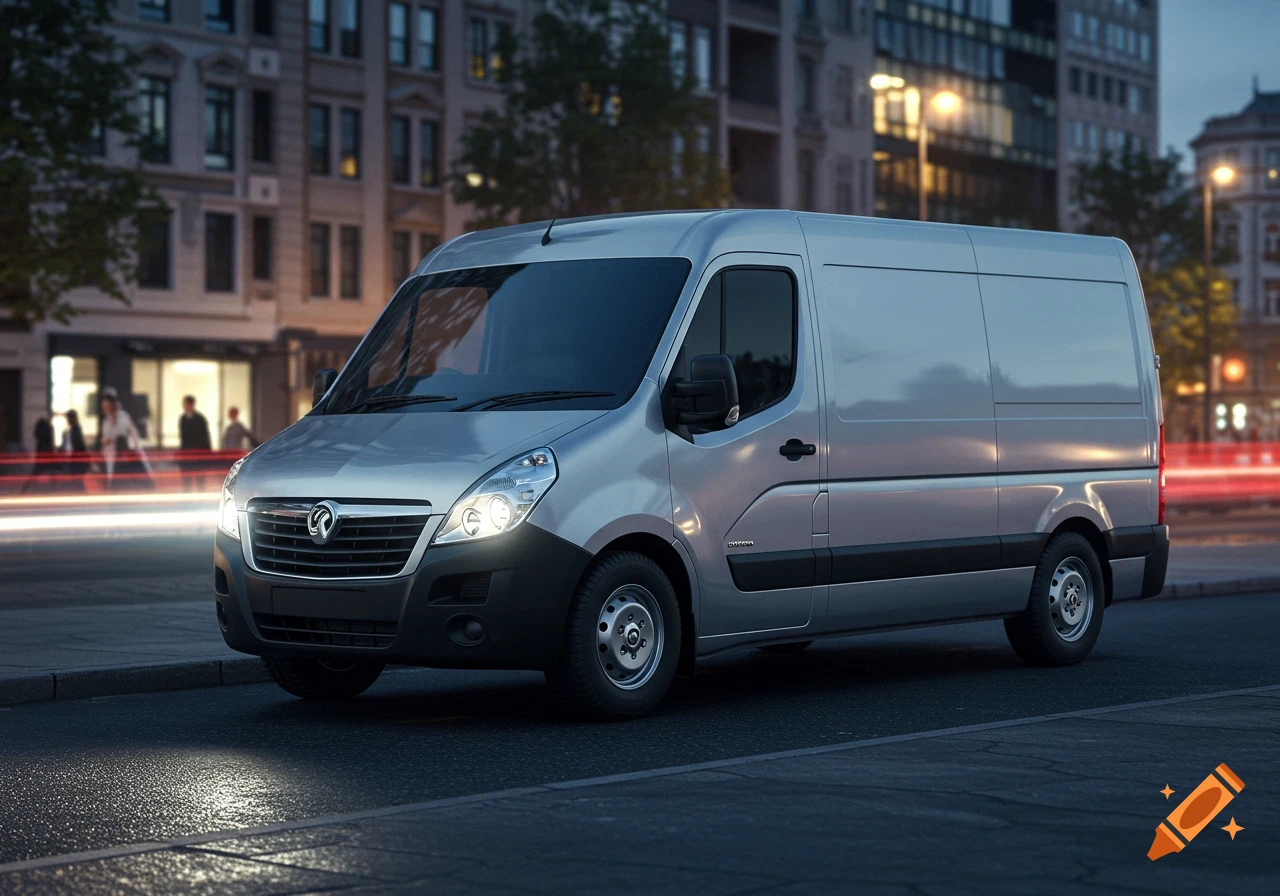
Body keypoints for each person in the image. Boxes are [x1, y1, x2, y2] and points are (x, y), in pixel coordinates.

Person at [99, 387, 152, 490]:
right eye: (103, 405)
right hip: (111, 456)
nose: (104, 407)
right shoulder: (106, 421)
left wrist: (134, 450)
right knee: (113, 484)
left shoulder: (123, 417)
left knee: (123, 483)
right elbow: (105, 440)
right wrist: (106, 442)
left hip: (124, 457)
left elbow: (134, 436)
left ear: (112, 404)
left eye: (106, 404)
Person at [60, 409, 88, 490]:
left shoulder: (75, 429)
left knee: (77, 481)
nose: (67, 420)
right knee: (75, 481)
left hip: (75, 460)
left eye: (68, 418)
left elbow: (76, 445)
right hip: (72, 459)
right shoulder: (70, 430)